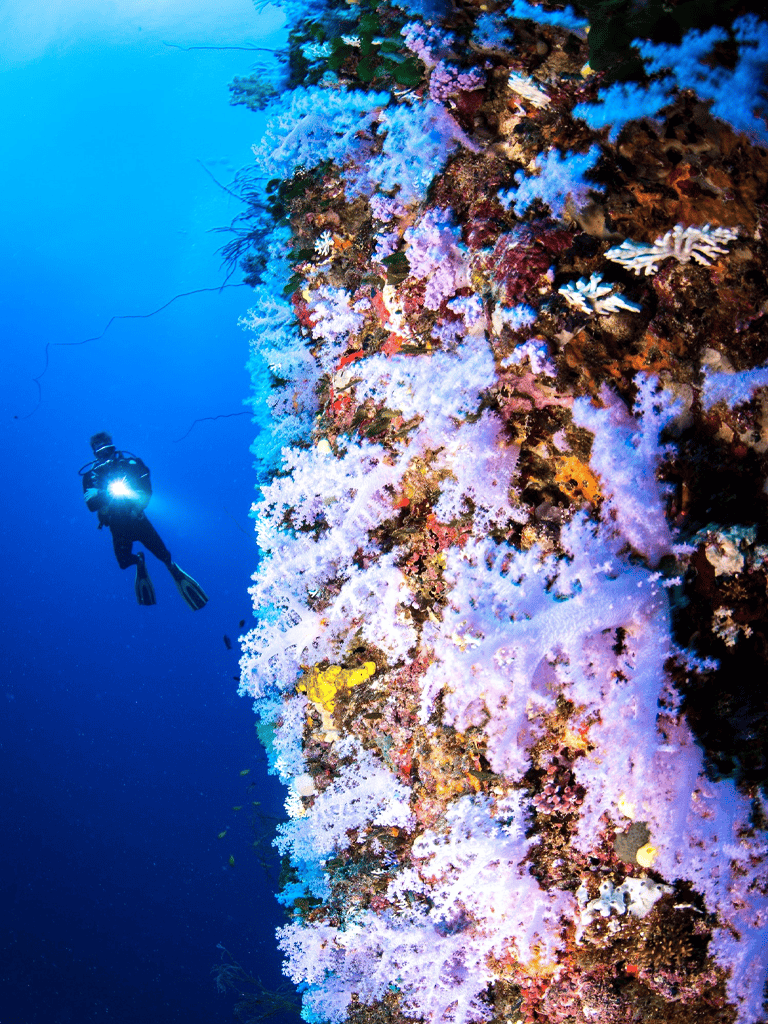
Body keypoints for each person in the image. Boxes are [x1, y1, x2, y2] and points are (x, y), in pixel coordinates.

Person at [81, 432, 208, 609]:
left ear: (112, 446)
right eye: (99, 451)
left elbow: (146, 490)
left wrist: (104, 494)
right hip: (117, 525)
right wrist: (108, 495)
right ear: (95, 453)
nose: (105, 454)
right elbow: (92, 505)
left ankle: (172, 567)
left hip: (137, 518)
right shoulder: (90, 477)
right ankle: (139, 560)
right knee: (124, 563)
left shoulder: (131, 464)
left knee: (163, 554)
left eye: (107, 448)